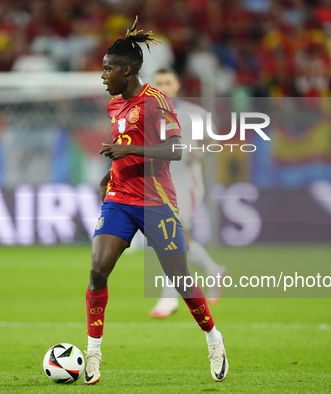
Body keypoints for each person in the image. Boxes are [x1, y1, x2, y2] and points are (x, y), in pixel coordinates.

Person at [84, 17, 228, 385]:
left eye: (108, 70)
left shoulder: (157, 103)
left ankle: (214, 338)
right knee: (98, 270)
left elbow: (176, 150)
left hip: (155, 202)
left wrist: (128, 149)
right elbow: (124, 152)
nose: (103, 76)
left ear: (127, 70)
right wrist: (108, 175)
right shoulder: (115, 106)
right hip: (119, 199)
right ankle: (93, 352)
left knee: (180, 279)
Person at [149, 67, 228, 318]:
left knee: (171, 236)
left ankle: (168, 298)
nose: (163, 87)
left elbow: (213, 141)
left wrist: (200, 152)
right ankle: (214, 270)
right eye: (158, 82)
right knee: (180, 241)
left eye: (168, 82)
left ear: (177, 85)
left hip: (186, 183)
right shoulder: (146, 114)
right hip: (158, 183)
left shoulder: (195, 114)